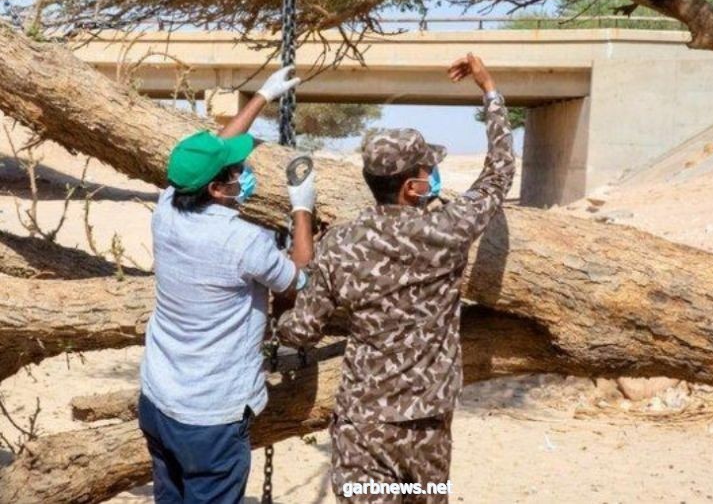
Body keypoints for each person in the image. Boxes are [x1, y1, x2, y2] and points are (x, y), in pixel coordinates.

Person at [277, 53, 514, 503]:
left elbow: (302, 331)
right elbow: (498, 174)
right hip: (429, 426)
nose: (431, 178)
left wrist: (277, 318)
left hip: (364, 424)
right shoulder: (447, 229)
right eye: (427, 171)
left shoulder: (341, 244)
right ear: (411, 186)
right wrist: (489, 90)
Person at [137, 67, 316, 504]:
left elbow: (211, 150)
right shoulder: (243, 241)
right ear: (218, 189)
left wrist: (262, 97)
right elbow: (300, 278)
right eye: (238, 170)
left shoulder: (168, 207)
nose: (244, 171)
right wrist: (301, 209)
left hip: (159, 400)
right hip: (211, 418)